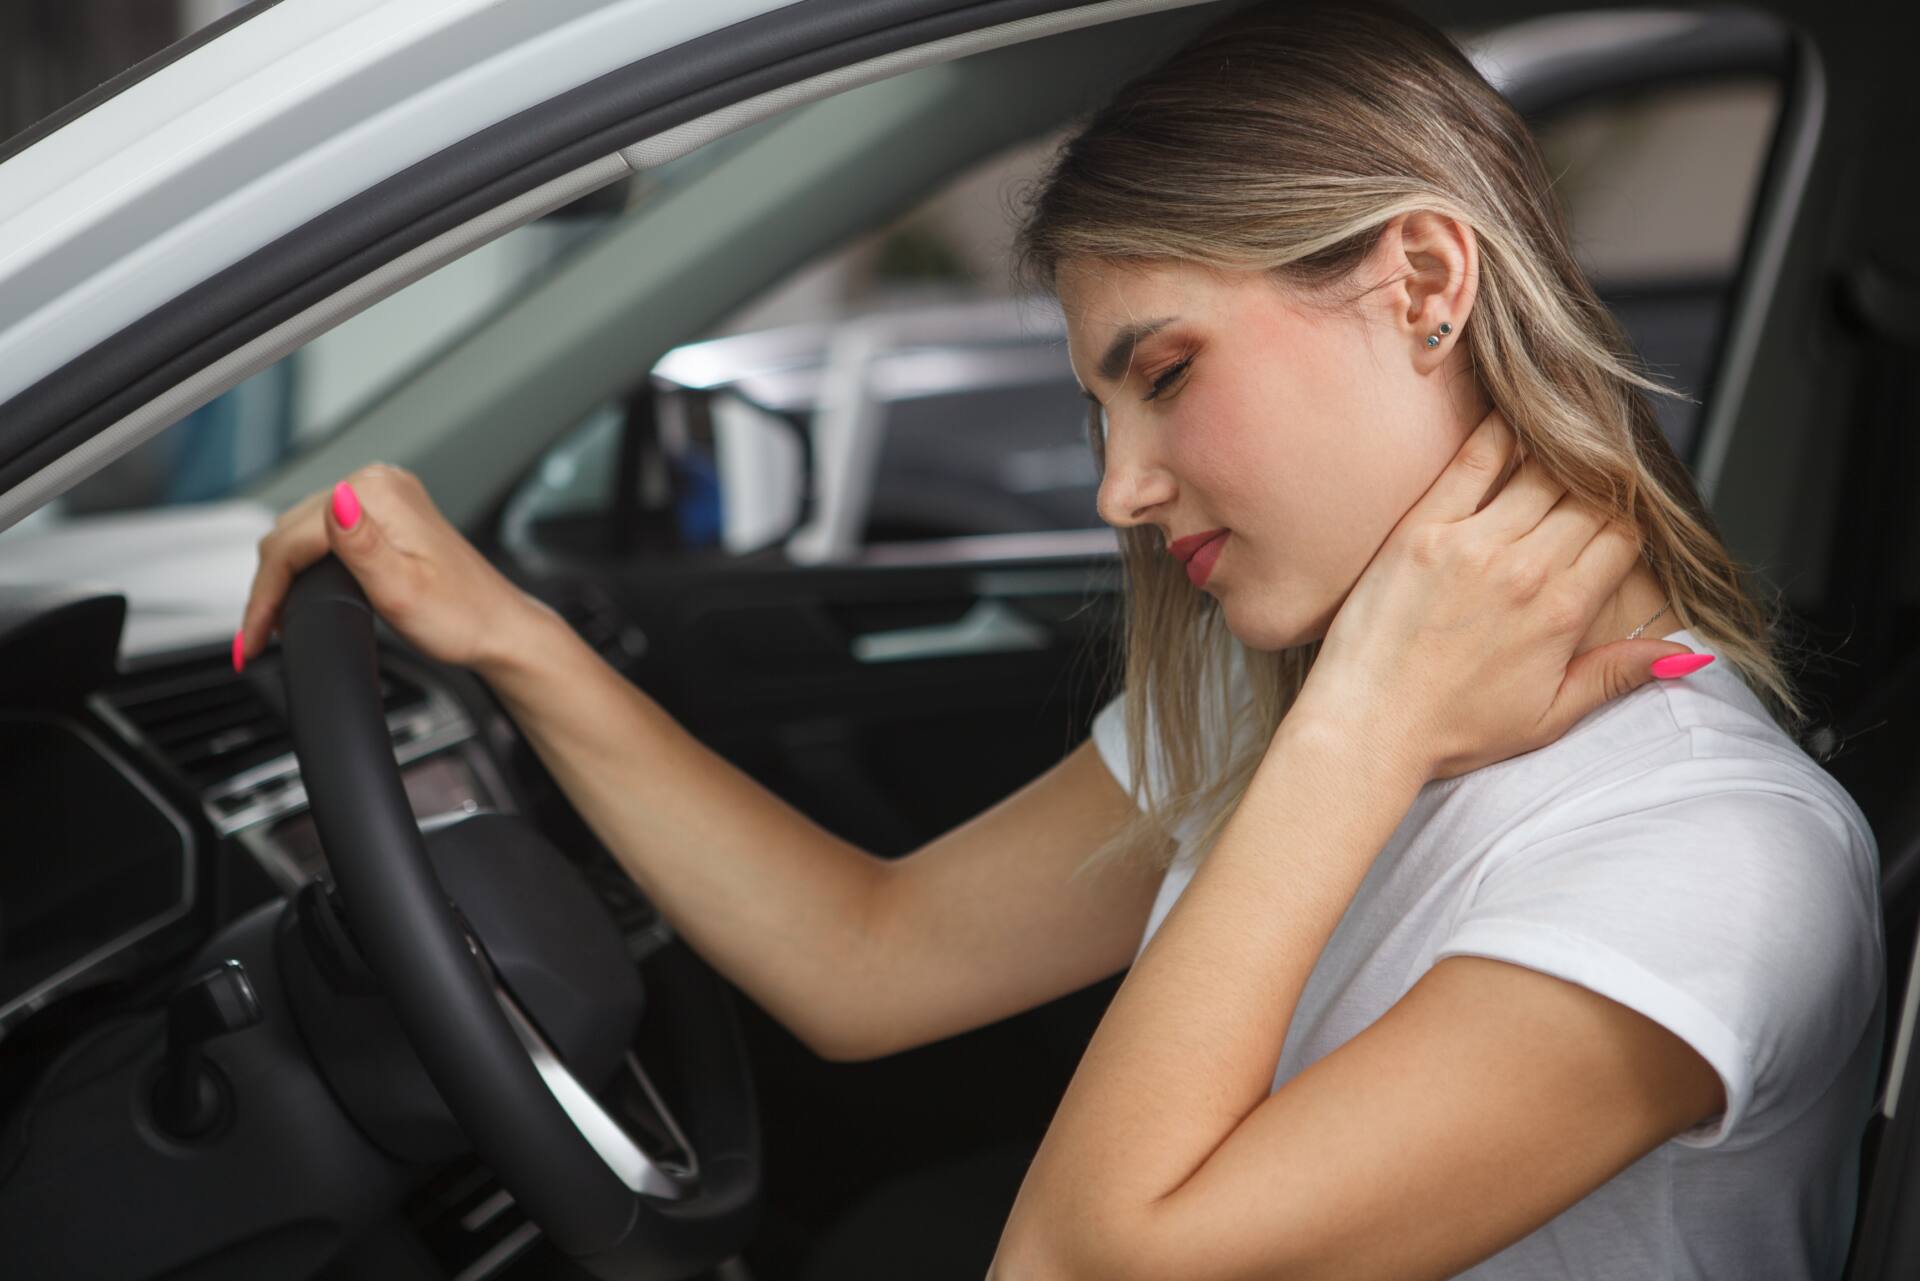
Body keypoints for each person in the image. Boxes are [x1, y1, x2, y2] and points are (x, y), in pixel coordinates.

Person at [236, 1, 1885, 1277]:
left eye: (1165, 374)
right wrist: (509, 633)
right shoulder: (1290, 692)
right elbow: (869, 955)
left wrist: (1366, 729)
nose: (1119, 487)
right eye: (1098, 405)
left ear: (1426, 286)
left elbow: (1078, 1263)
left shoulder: (1707, 860)